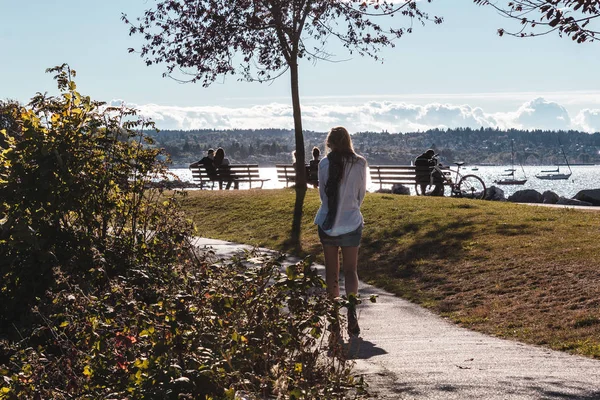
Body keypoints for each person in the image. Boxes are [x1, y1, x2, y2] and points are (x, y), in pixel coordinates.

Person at [314, 126, 367, 338]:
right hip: (351, 221)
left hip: (328, 223)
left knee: (332, 272)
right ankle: (351, 311)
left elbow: (323, 195)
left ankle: (334, 317)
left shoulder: (324, 164)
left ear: (329, 143)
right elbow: (360, 194)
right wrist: (352, 208)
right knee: (351, 270)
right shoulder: (360, 163)